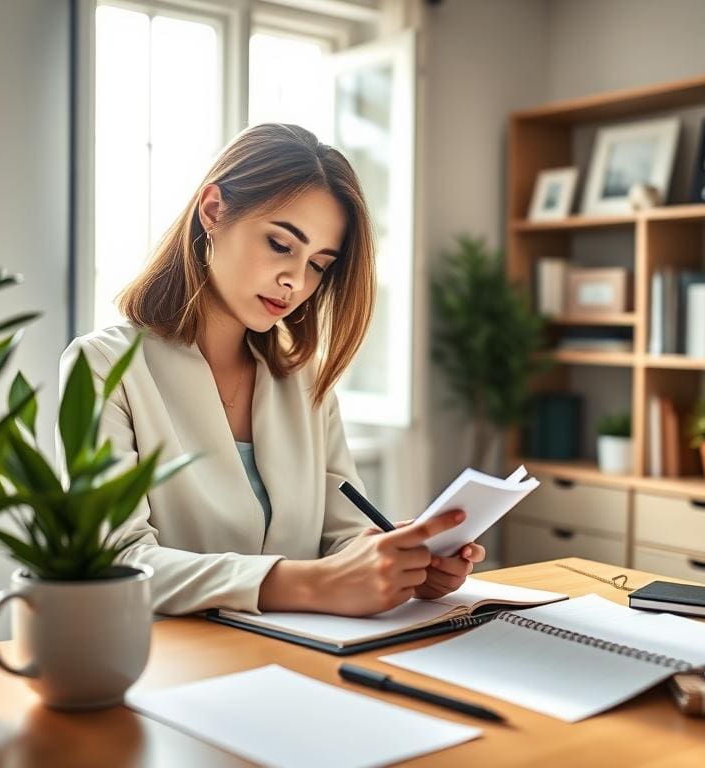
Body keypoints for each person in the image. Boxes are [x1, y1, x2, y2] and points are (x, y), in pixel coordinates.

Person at [60, 123, 485, 617]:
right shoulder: (103, 367)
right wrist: (308, 585)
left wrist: (403, 563)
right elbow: (116, 559)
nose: (296, 281)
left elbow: (344, 536)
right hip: (170, 664)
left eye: (319, 264)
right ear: (213, 211)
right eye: (282, 245)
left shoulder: (305, 381)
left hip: (306, 661)